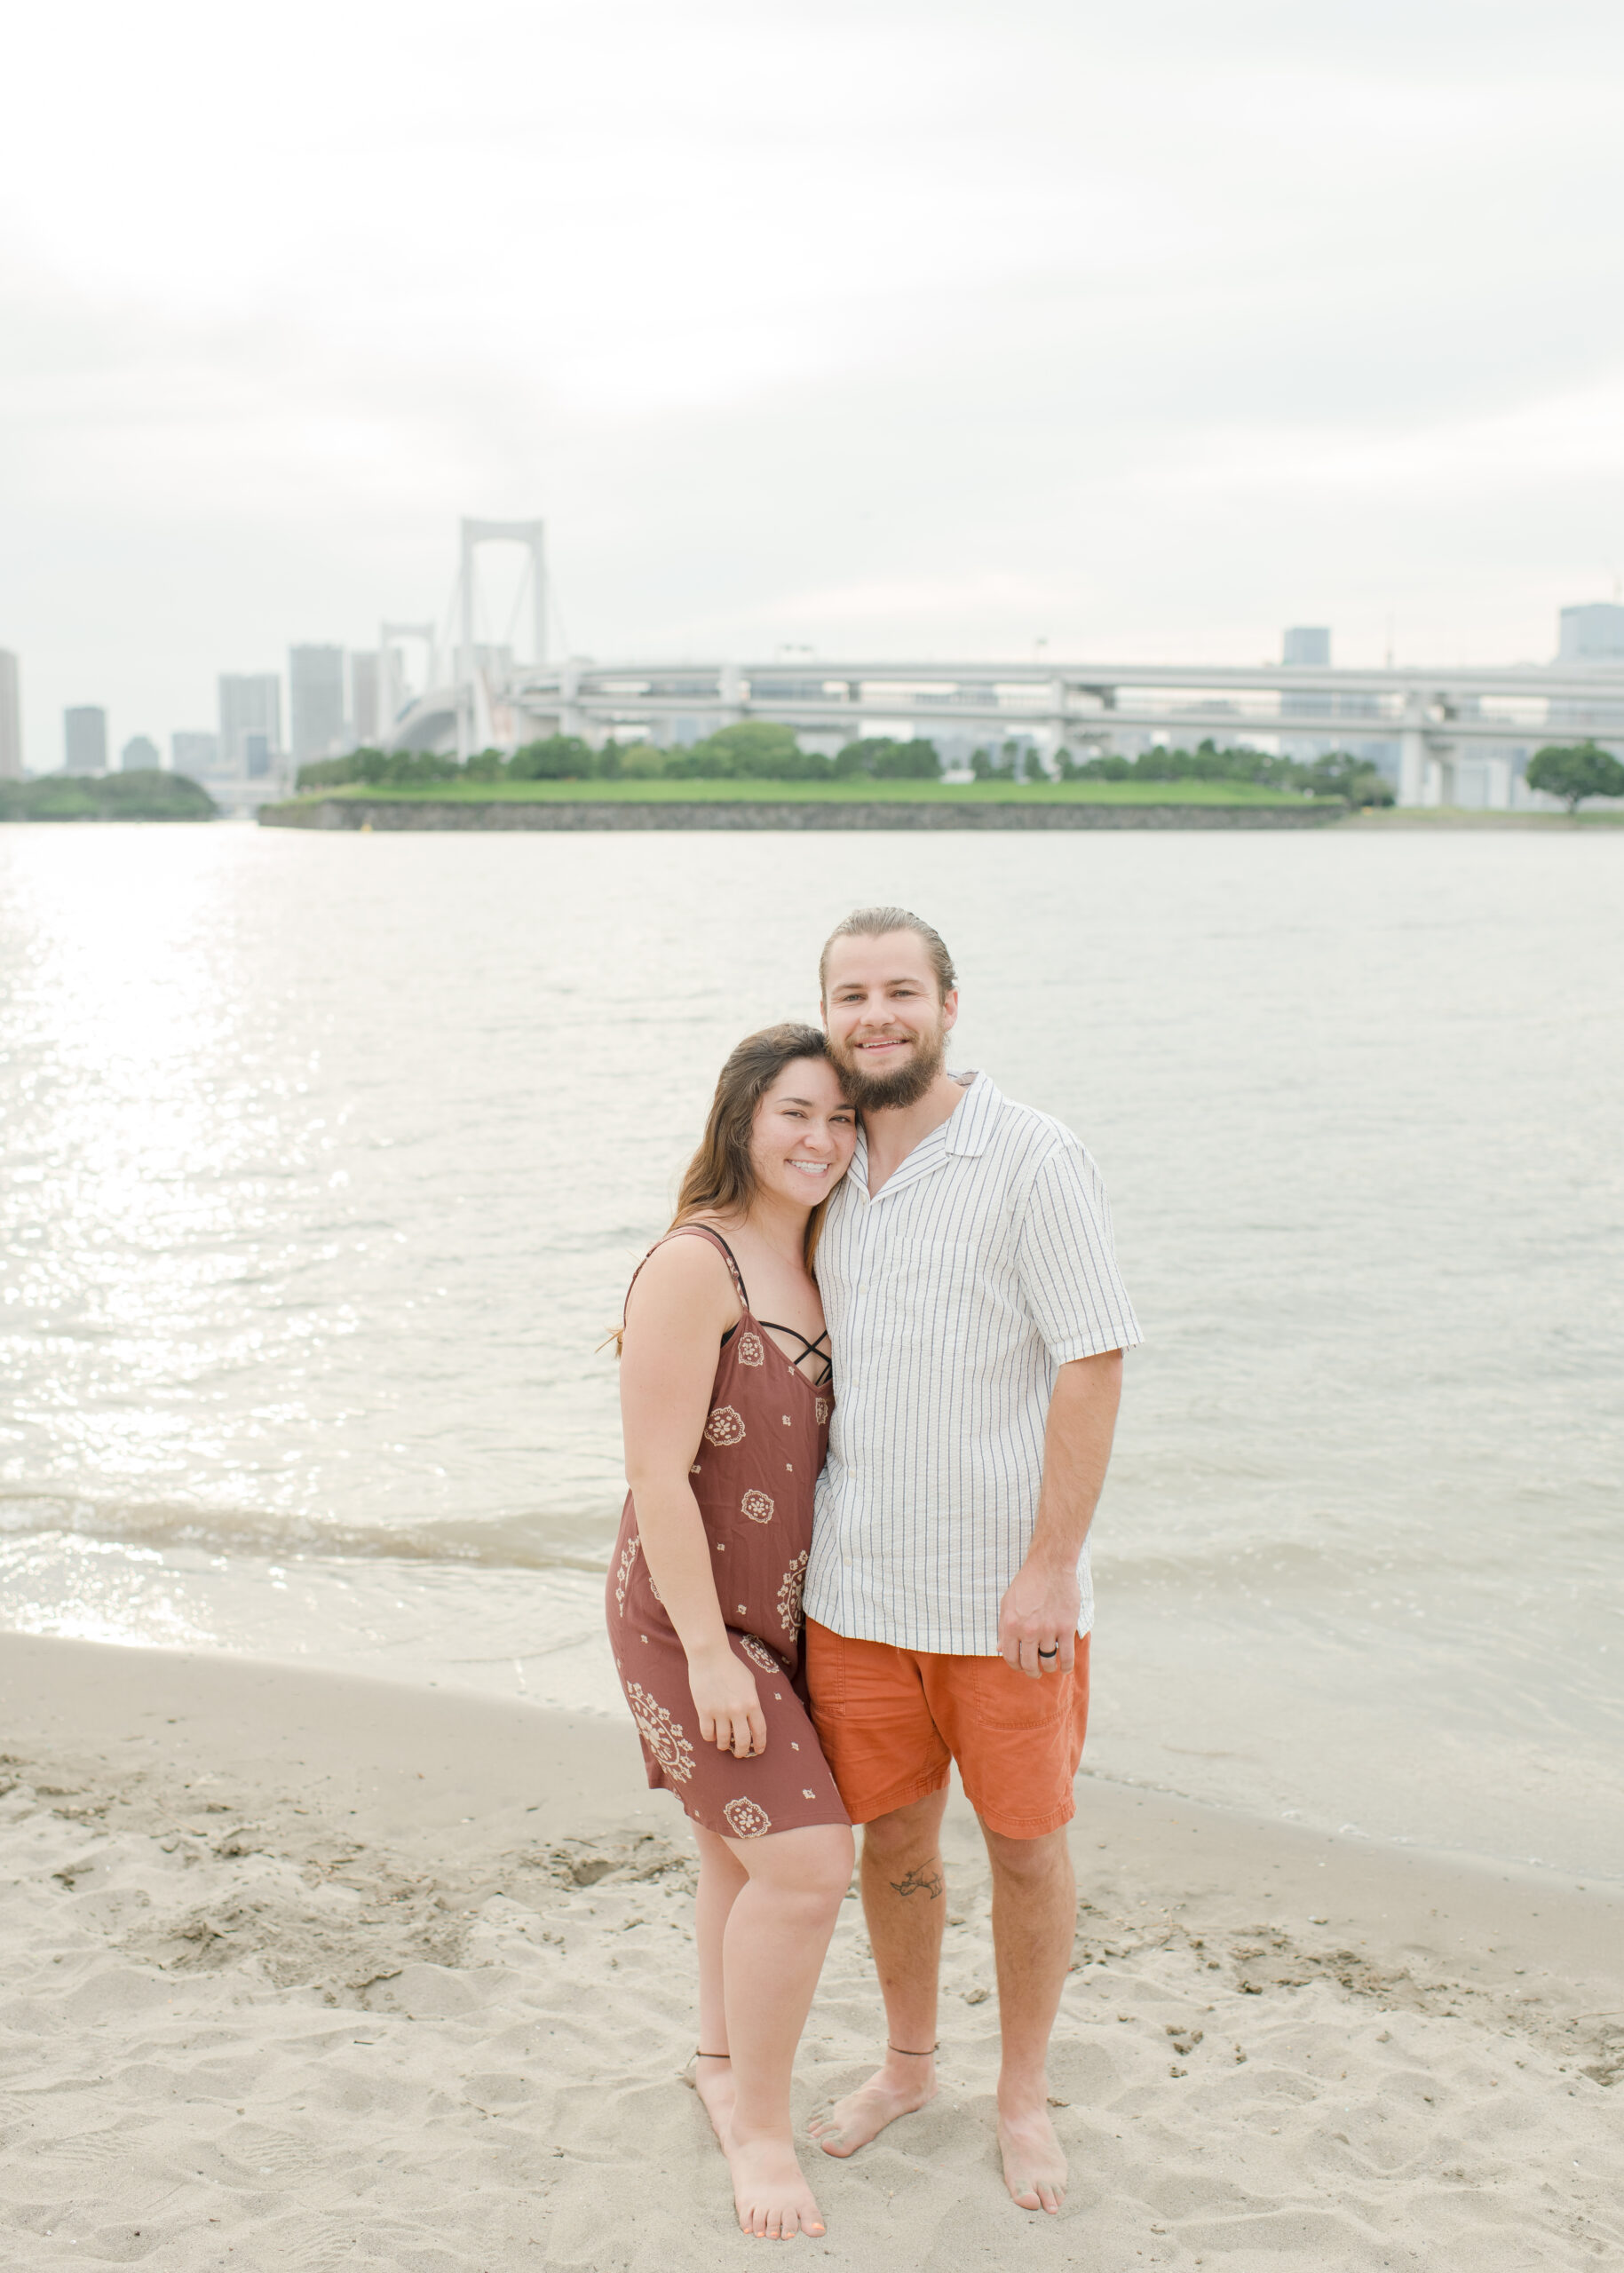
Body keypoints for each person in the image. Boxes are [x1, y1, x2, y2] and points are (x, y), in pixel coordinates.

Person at [801, 907, 1141, 2217]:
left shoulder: (1031, 1156)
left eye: (899, 990)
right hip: (855, 1596)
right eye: (850, 996)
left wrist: (1052, 1566)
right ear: (826, 1014)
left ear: (949, 1004)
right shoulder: (822, 1163)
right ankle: (905, 2067)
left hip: (1006, 1604)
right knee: (893, 1844)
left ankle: (1020, 2096)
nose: (874, 1015)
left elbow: (1093, 1356)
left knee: (1022, 1849)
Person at [606, 1022, 860, 2243]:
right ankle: (758, 2130)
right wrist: (708, 1654)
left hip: (791, 1614)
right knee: (808, 1868)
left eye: (840, 1119)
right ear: (743, 1118)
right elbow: (656, 1475)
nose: (819, 1140)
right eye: (796, 1114)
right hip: (683, 1614)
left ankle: (718, 2062)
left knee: (736, 1855)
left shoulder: (831, 1250)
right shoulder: (694, 1263)